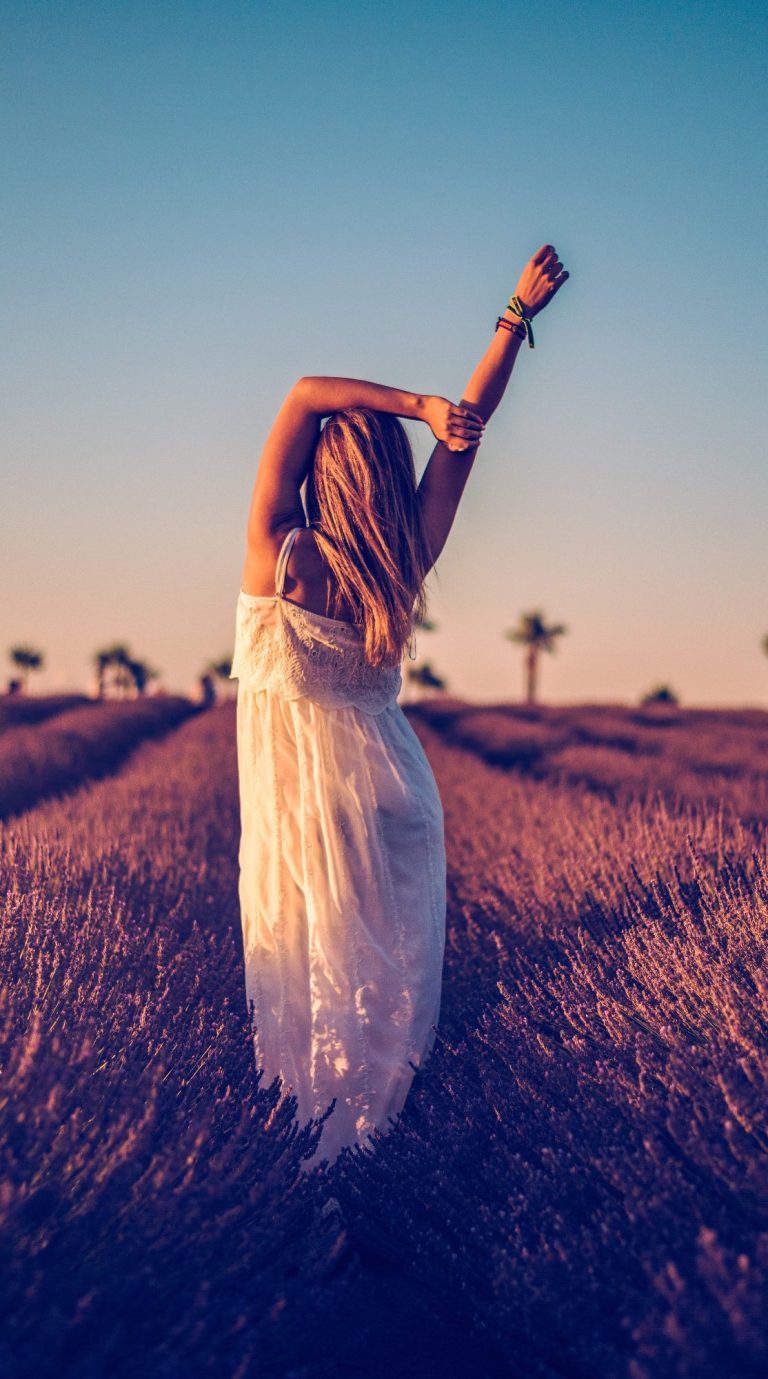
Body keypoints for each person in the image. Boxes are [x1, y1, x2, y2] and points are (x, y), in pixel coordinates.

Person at [229, 243, 569, 1170]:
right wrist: (512, 316)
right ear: (384, 475)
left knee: (307, 987)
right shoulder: (402, 562)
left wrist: (410, 403)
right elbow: (475, 422)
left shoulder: (281, 556)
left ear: (323, 473)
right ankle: (371, 1171)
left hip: (308, 818)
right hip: (394, 799)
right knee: (381, 1002)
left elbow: (303, 392)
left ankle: (312, 1181)